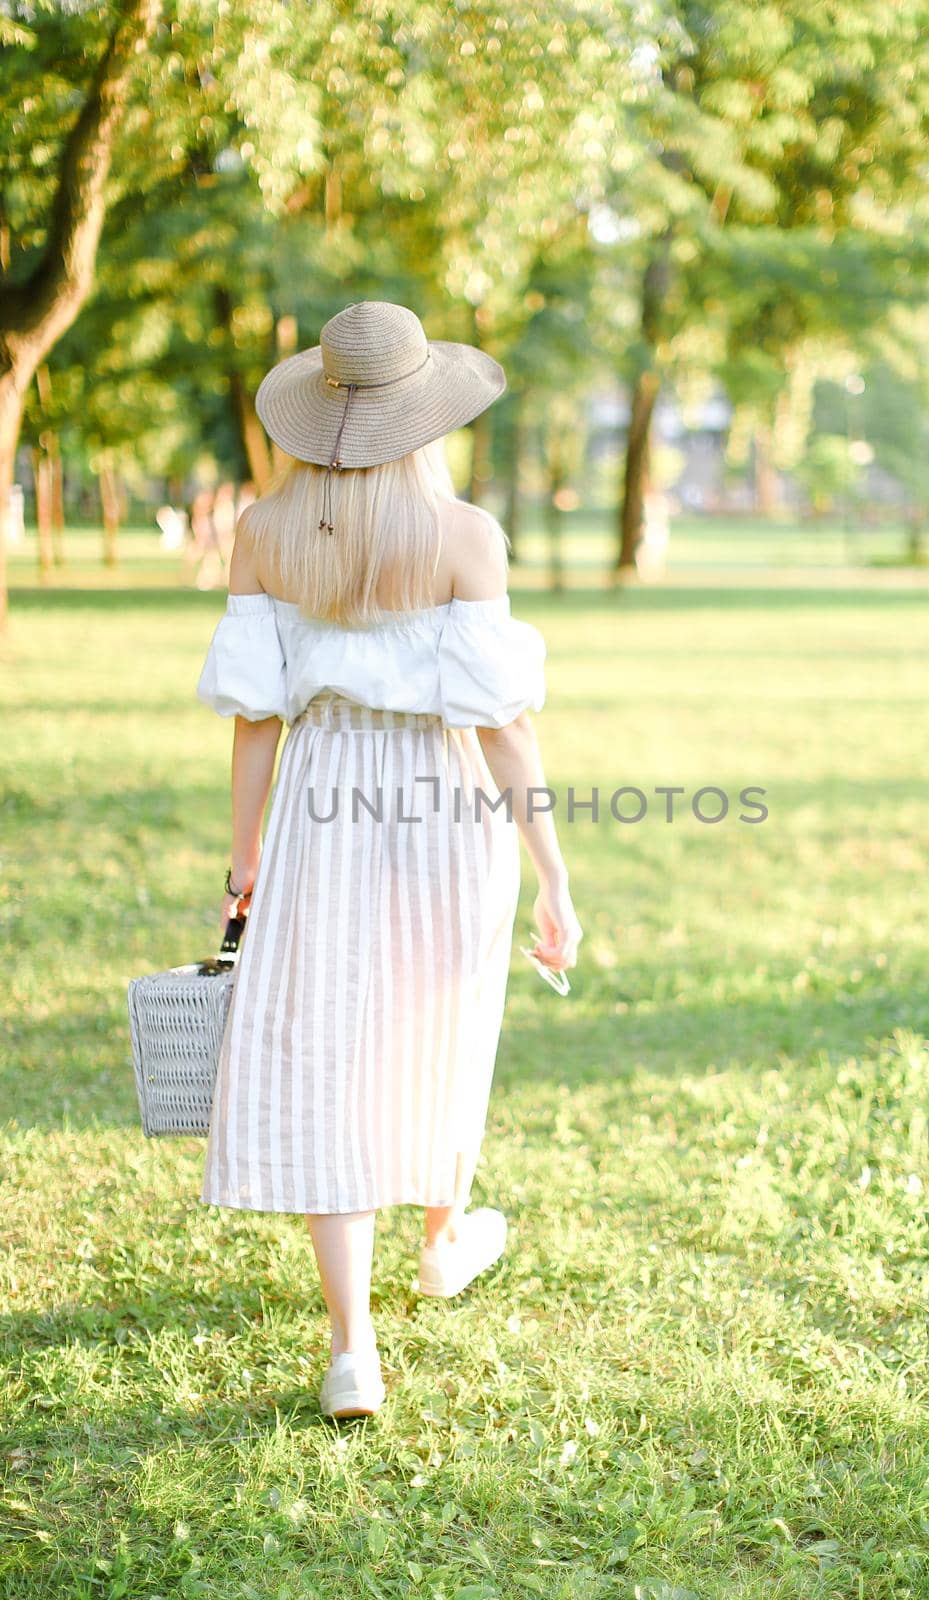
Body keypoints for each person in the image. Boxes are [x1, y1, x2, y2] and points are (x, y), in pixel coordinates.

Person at [195, 301, 582, 1421]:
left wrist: (243, 850)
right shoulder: (465, 534)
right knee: (430, 1025)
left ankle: (352, 1347)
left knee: (330, 1045)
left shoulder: (264, 531)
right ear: (426, 416)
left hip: (322, 800)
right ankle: (440, 1235)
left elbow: (255, 715)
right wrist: (550, 869)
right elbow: (501, 724)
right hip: (441, 800)